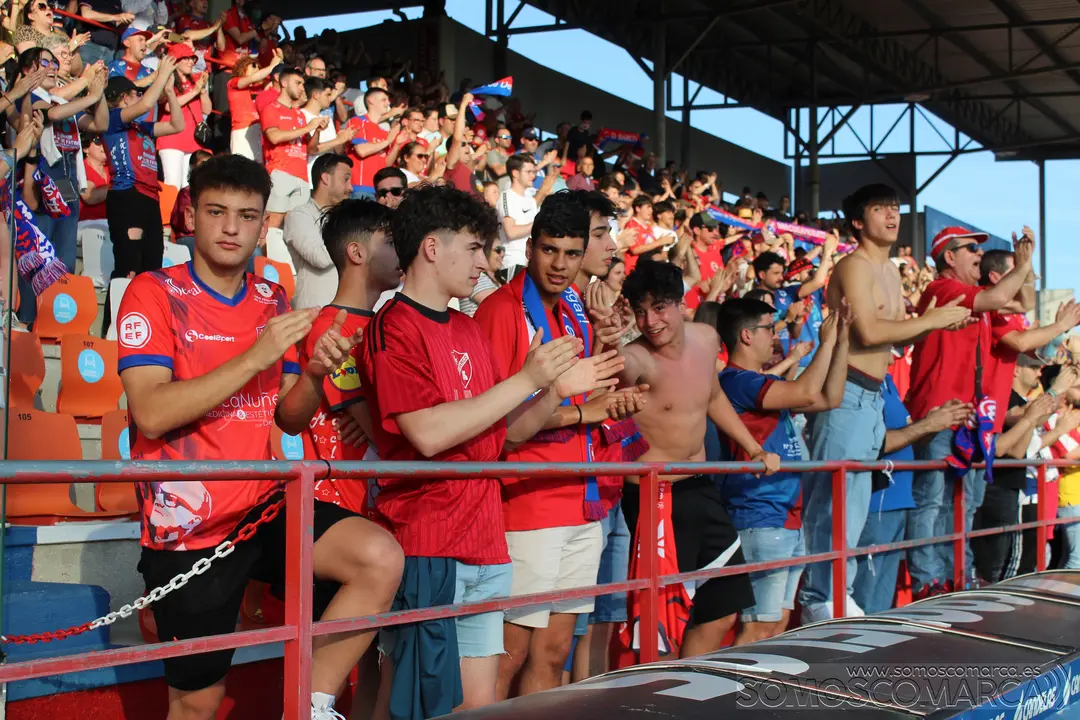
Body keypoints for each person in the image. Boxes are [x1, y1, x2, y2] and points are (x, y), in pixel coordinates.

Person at [116, 154, 403, 720]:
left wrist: (316, 373)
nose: (230, 227)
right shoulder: (152, 292)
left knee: (377, 557)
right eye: (216, 211)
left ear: (261, 224)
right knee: (198, 704)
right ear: (191, 216)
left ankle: (308, 708)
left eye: (247, 215)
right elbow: (150, 413)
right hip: (189, 528)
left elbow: (290, 418)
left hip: (263, 507)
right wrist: (256, 356)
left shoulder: (271, 297)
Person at [358, 184, 621, 713]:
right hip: (429, 539)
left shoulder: (465, 327)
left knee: (476, 705)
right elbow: (428, 433)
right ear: (433, 247)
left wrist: (554, 390)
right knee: (416, 701)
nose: (486, 261)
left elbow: (507, 432)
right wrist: (529, 379)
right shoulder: (394, 325)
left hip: (485, 539)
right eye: (476, 247)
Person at [474, 191, 630, 698]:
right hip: (530, 500)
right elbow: (501, 420)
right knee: (508, 655)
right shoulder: (502, 311)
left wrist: (606, 395)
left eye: (570, 252)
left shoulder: (576, 310)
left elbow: (585, 392)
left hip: (581, 502)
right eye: (548, 251)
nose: (559, 264)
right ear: (531, 247)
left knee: (554, 652)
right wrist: (580, 408)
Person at [798, 184, 972, 622]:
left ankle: (837, 594)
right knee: (836, 501)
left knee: (854, 505)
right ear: (858, 221)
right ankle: (823, 598)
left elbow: (894, 336)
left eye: (895, 208)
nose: (892, 217)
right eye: (881, 209)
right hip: (847, 391)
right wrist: (931, 319)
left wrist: (937, 326)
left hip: (873, 396)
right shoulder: (853, 266)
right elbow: (870, 334)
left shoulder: (892, 272)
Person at [608, 260, 780, 657]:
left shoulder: (705, 337)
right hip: (655, 499)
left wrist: (752, 447)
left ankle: (687, 691)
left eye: (660, 307)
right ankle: (660, 700)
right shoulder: (636, 359)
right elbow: (612, 373)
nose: (650, 321)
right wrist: (607, 343)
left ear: (682, 303)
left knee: (723, 608)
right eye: (640, 310)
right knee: (658, 623)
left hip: (700, 488)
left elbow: (714, 397)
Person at [906, 224, 1036, 597]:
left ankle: (954, 574)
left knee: (962, 503)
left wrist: (1025, 265)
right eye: (970, 250)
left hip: (969, 416)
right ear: (949, 257)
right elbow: (1000, 299)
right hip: (938, 414)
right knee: (932, 499)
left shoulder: (975, 295)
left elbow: (1022, 302)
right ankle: (927, 578)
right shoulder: (942, 289)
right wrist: (1021, 266)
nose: (979, 255)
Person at [715, 297, 849, 642]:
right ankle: (732, 693)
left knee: (776, 624)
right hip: (759, 514)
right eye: (769, 329)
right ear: (746, 335)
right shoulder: (736, 380)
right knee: (758, 625)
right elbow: (806, 393)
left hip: (787, 515)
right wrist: (826, 340)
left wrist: (842, 339)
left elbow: (831, 398)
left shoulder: (758, 381)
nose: (775, 337)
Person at [852, 382, 971, 614]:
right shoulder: (861, 380)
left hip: (899, 502)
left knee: (882, 604)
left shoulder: (888, 382)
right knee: (863, 601)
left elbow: (909, 437)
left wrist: (934, 425)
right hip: (877, 504)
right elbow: (873, 443)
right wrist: (927, 424)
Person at [100, 60, 183, 337]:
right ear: (124, 98)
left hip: (149, 199)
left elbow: (177, 125)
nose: (140, 97)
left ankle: (144, 329)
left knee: (152, 268)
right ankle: (112, 330)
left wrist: (170, 91)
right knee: (128, 265)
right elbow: (146, 104)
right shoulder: (113, 120)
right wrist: (163, 73)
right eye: (135, 93)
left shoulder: (142, 129)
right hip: (127, 196)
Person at [260, 66, 327, 230]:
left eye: (302, 84)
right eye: (297, 83)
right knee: (273, 222)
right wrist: (307, 128)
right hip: (280, 171)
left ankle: (285, 257)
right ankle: (264, 256)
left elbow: (310, 149)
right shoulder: (271, 108)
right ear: (283, 83)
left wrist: (316, 130)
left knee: (295, 227)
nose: (301, 88)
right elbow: (274, 137)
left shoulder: (299, 114)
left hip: (302, 176)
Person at [283, 153, 353, 309]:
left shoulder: (341, 219)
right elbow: (319, 258)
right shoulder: (300, 215)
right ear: (325, 178)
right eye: (345, 179)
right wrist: (350, 226)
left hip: (348, 313)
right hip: (314, 315)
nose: (351, 188)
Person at [156, 43, 210, 189]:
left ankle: (182, 212)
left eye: (192, 59)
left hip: (193, 139)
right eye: (186, 58)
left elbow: (207, 110)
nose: (191, 62)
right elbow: (167, 106)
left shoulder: (196, 79)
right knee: (172, 184)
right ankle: (167, 213)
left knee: (188, 186)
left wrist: (202, 90)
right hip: (171, 138)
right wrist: (194, 92)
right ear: (175, 61)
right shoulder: (168, 80)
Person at [345, 86, 401, 199]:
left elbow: (386, 164)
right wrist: (388, 141)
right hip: (360, 188)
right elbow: (361, 150)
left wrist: (397, 145)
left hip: (379, 190)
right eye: (383, 100)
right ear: (371, 101)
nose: (387, 103)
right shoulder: (358, 121)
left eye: (388, 100)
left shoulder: (384, 132)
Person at [226, 51, 282, 161]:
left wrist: (278, 64)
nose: (257, 69)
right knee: (242, 168)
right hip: (242, 131)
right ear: (242, 67)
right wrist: (272, 66)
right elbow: (253, 78)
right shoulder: (233, 83)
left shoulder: (262, 86)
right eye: (253, 65)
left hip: (260, 130)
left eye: (259, 67)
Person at [495, 154, 539, 277]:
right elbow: (511, 231)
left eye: (533, 172)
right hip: (513, 262)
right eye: (528, 172)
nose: (533, 176)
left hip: (531, 263)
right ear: (515, 173)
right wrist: (538, 224)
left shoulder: (531, 200)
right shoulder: (507, 196)